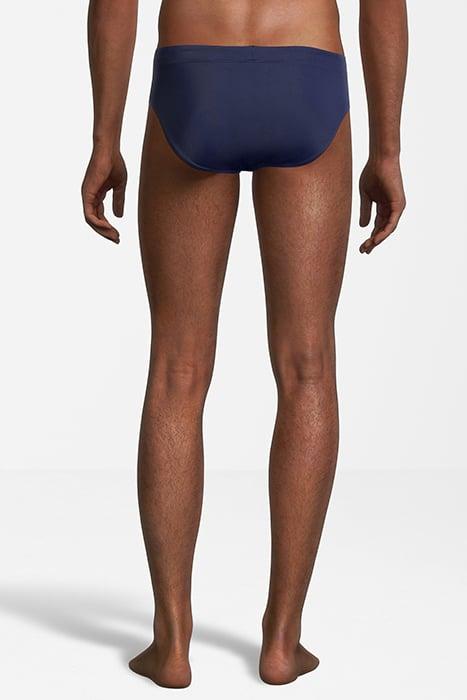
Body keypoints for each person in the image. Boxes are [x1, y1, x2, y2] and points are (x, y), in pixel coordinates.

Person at [81, 0, 407, 688]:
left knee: (176, 370)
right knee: (308, 368)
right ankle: (282, 641)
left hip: (194, 74)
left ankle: (171, 643)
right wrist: (387, 150)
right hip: (306, 73)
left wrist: (104, 140)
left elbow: (114, 3)